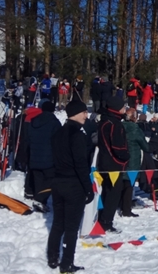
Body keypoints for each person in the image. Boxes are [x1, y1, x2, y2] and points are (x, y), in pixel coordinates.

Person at [47, 100, 93, 273]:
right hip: (73, 185)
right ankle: (66, 264)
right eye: (84, 112)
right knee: (71, 227)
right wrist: (88, 187)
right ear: (76, 113)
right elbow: (81, 164)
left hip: (57, 183)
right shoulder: (77, 135)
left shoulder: (57, 133)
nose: (86, 115)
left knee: (58, 222)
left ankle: (53, 257)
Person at [97, 96, 130, 232]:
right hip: (114, 164)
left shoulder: (104, 121)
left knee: (106, 191)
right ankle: (106, 221)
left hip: (104, 162)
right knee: (113, 194)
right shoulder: (115, 124)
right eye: (123, 107)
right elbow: (118, 146)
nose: (125, 109)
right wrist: (125, 156)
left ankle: (102, 218)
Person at [28, 100, 62, 213]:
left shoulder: (34, 121)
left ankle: (41, 202)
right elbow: (58, 141)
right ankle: (40, 199)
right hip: (48, 157)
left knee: (39, 180)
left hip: (34, 156)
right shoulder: (54, 122)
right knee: (51, 180)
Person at [121, 108, 150, 217]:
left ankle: (120, 205)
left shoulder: (120, 126)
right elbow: (145, 146)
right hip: (132, 160)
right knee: (129, 186)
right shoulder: (135, 129)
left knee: (120, 184)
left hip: (119, 159)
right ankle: (126, 210)